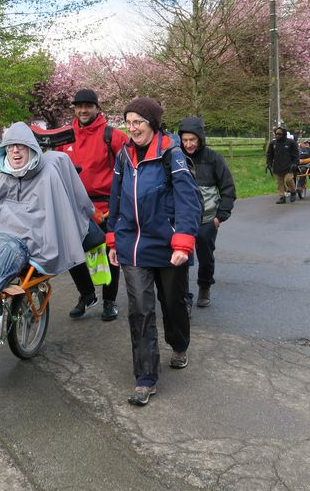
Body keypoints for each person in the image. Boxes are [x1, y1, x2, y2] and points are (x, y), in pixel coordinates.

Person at [106, 98, 201, 406]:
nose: (132, 128)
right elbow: (117, 197)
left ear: (153, 124)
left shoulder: (172, 154)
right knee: (140, 310)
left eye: (138, 122)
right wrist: (112, 239)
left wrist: (183, 241)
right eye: (129, 122)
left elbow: (189, 200)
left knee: (172, 303)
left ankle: (179, 344)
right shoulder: (123, 155)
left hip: (169, 244)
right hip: (133, 246)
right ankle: (145, 377)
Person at [0, 122, 97, 276]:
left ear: (30, 148)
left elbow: (49, 219)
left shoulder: (48, 174)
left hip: (26, 243)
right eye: (10, 146)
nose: (15, 150)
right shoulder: (3, 175)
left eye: (20, 145)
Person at [56, 88, 129, 321]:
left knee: (110, 253)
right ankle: (87, 295)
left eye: (88, 105)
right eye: (79, 106)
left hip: (106, 206)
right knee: (71, 252)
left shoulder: (112, 136)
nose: (83, 110)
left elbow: (131, 167)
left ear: (97, 108)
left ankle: (110, 301)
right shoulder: (65, 137)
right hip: (75, 206)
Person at [177, 117, 235, 310]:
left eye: (192, 140)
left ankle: (204, 287)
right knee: (180, 256)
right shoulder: (176, 157)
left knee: (205, 255)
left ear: (200, 138)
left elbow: (228, 188)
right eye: (184, 140)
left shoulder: (213, 158)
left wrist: (219, 217)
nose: (188, 144)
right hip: (182, 219)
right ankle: (184, 295)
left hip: (207, 219)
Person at [266, 125, 299, 204]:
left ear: (284, 134)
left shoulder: (291, 142)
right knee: (279, 183)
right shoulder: (273, 143)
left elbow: (296, 155)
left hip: (289, 166)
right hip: (277, 166)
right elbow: (269, 155)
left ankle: (293, 192)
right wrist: (269, 164)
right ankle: (282, 197)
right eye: (276, 134)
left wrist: (295, 163)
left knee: (288, 180)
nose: (278, 135)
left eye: (279, 134)